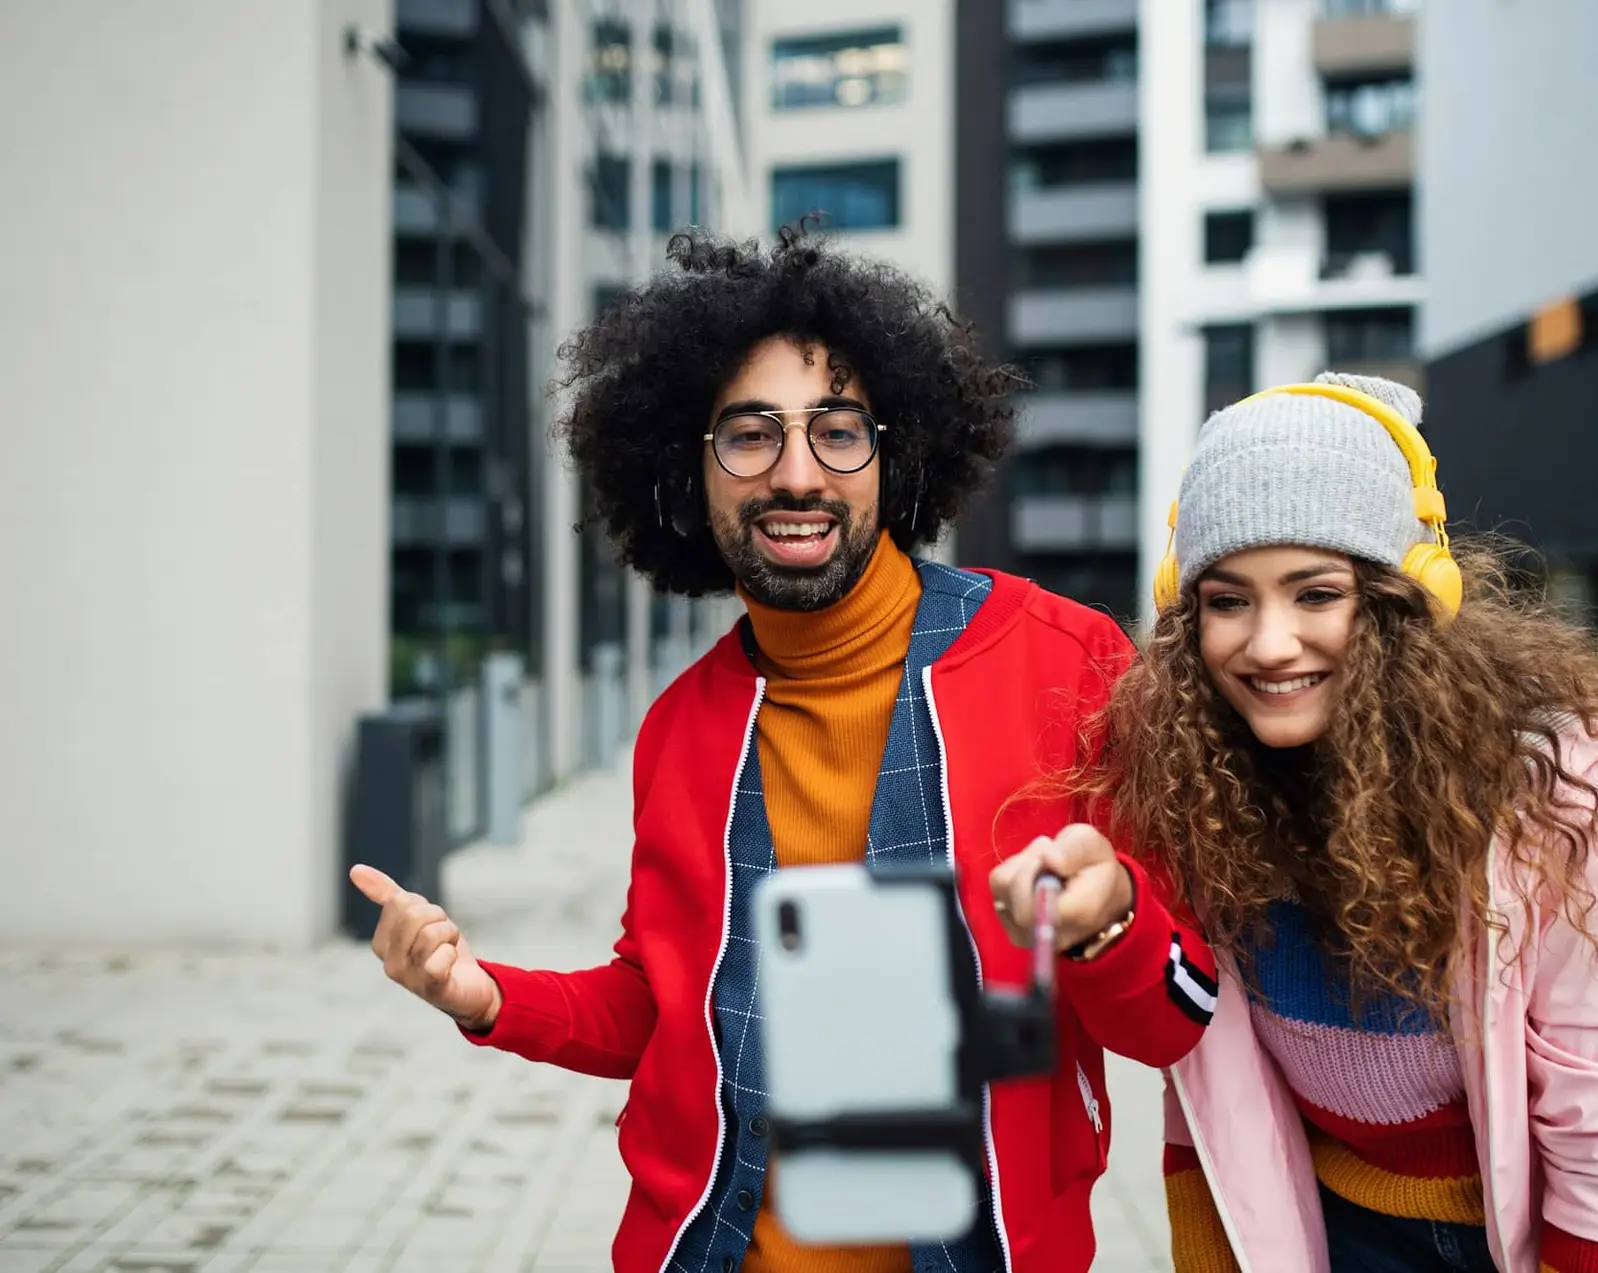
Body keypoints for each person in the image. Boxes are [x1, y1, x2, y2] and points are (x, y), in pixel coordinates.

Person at [347, 225, 1217, 1273]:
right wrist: (482, 995)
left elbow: (1178, 1017)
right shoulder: (680, 728)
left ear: (894, 453)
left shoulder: (1066, 664)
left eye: (837, 431)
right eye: (750, 434)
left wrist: (1108, 919)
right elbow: (660, 1005)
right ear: (690, 466)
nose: (797, 473)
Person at [1060, 373, 1598, 1272]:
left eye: (1315, 593)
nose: (1267, 642)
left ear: (1404, 595)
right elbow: (1209, 1084)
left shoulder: (1557, 795)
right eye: (1227, 600)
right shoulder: (1200, 782)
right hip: (1329, 1227)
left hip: (1542, 1236)